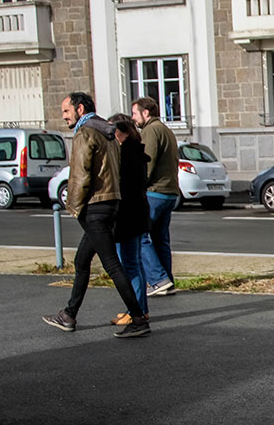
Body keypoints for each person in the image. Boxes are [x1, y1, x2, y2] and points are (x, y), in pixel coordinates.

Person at [42, 93, 151, 339]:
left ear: (80, 109)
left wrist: (73, 206)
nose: (64, 116)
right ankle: (69, 314)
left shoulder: (85, 133)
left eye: (67, 110)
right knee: (82, 261)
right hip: (110, 203)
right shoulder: (107, 131)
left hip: (94, 206)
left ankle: (138, 318)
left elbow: (80, 175)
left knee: (112, 264)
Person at [130, 96, 180, 297]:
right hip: (169, 192)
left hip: (154, 192)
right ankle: (167, 281)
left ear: (146, 113)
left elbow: (146, 163)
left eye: (135, 113)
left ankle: (158, 279)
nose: (133, 118)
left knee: (140, 235)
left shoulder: (150, 130)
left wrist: (137, 187)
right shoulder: (166, 130)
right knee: (160, 239)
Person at [108, 113, 150, 327]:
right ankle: (140, 309)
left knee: (129, 264)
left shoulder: (125, 154)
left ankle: (136, 311)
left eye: (112, 131)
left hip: (127, 215)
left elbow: (123, 187)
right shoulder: (136, 151)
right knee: (134, 263)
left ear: (122, 133)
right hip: (137, 213)